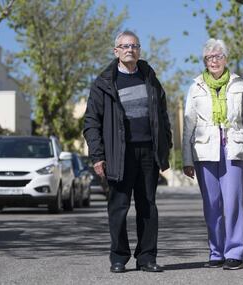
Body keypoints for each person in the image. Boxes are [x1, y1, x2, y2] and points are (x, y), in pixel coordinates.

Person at [83, 30, 172, 273]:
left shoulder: (150, 79)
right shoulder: (103, 83)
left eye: (133, 46)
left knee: (148, 207)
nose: (129, 50)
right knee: (118, 208)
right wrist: (98, 155)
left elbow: (163, 116)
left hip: (148, 153)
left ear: (139, 50)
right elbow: (91, 122)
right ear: (116, 51)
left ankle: (147, 257)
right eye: (124, 46)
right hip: (118, 154)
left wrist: (166, 146)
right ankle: (119, 257)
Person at [182, 38, 243, 270]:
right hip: (204, 151)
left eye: (218, 56)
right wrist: (186, 159)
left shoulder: (239, 84)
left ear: (226, 59)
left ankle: (234, 252)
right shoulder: (195, 87)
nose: (213, 61)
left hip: (233, 148)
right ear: (204, 61)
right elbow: (188, 126)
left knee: (233, 203)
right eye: (209, 58)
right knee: (212, 204)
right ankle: (216, 251)